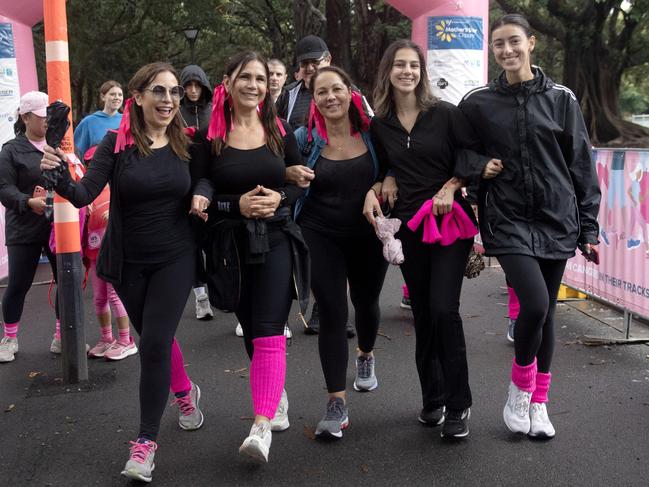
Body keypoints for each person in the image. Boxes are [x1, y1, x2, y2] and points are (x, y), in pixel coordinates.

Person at [41, 62, 204, 482]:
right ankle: (185, 394)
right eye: (159, 92)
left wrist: (204, 195)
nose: (168, 100)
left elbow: (207, 182)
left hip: (176, 257)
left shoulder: (189, 143)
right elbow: (82, 195)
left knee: (152, 341)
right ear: (138, 98)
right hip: (127, 260)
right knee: (156, 337)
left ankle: (145, 442)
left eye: (172, 92)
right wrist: (57, 169)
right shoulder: (115, 144)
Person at [456, 14, 600, 439]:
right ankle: (520, 387)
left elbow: (581, 165)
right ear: (493, 50)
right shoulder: (478, 102)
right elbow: (460, 156)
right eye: (499, 44)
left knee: (547, 314)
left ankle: (540, 403)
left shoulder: (562, 98)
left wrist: (588, 228)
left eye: (514, 41)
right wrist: (481, 166)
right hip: (509, 217)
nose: (507, 51)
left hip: (558, 218)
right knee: (534, 306)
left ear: (531, 43)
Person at [191, 51, 307, 463]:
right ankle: (274, 392)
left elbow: (297, 182)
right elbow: (203, 186)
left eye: (260, 78)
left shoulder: (279, 129)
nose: (254, 85)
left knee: (270, 326)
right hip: (229, 247)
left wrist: (282, 196)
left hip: (274, 239)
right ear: (228, 81)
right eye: (246, 77)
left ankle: (260, 427)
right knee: (250, 328)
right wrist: (231, 205)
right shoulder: (211, 136)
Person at [369, 39, 483, 439]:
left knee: (442, 308)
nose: (407, 72)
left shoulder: (445, 114)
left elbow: (471, 157)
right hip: (410, 226)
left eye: (413, 66)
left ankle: (459, 403)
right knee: (423, 311)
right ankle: (432, 399)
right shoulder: (379, 123)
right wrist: (384, 177)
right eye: (399, 65)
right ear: (389, 71)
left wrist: (452, 186)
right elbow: (381, 162)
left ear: (422, 71)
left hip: (448, 222)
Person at [292, 66, 389, 438]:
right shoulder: (304, 138)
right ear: (313, 99)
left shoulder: (372, 132)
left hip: (367, 233)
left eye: (337, 89)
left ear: (350, 92)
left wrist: (379, 185)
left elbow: (393, 169)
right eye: (322, 92)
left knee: (366, 302)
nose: (330, 97)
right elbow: (281, 170)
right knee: (332, 310)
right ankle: (336, 401)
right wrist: (289, 176)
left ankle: (365, 355)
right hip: (320, 232)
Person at [0, 91, 60, 362]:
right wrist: (28, 201)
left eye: (49, 116)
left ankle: (63, 336)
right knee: (19, 284)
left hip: (57, 226)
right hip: (24, 227)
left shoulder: (58, 144)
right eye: (41, 116)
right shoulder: (11, 150)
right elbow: (4, 189)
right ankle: (9, 338)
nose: (47, 121)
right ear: (25, 117)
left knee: (67, 282)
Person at [179, 64, 215, 321]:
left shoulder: (215, 111)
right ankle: (201, 295)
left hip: (213, 182)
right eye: (188, 85)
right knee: (191, 244)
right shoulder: (175, 113)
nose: (193, 90)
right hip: (184, 183)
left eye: (197, 85)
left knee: (214, 242)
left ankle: (220, 287)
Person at [74, 80, 123, 158]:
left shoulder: (128, 121)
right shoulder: (89, 122)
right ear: (103, 97)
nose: (117, 98)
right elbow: (77, 152)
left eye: (120, 95)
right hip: (98, 168)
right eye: (112, 94)